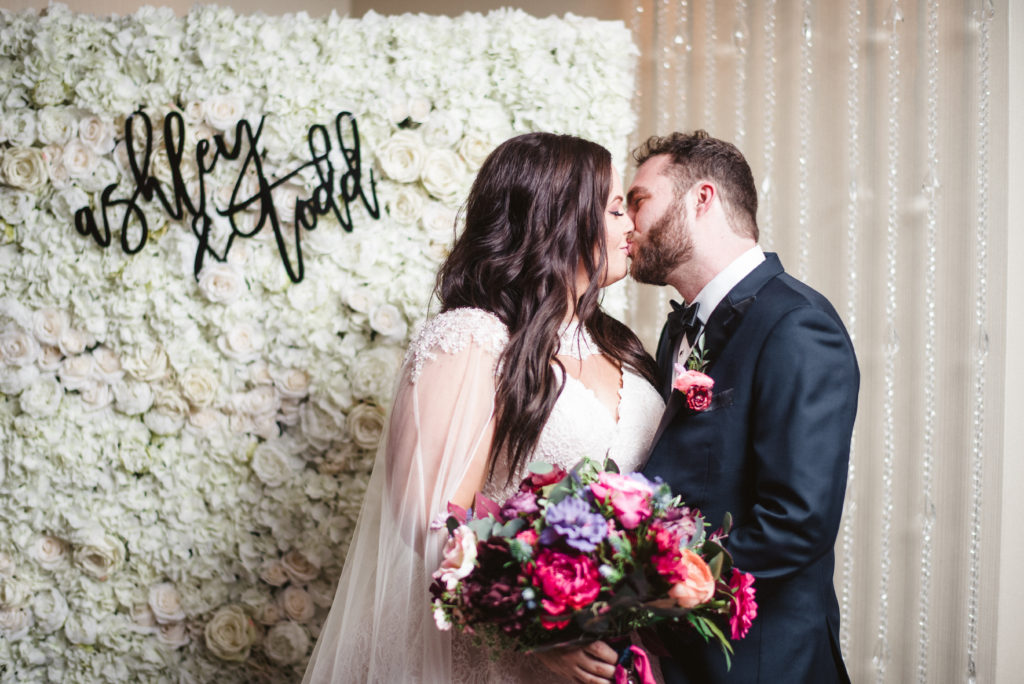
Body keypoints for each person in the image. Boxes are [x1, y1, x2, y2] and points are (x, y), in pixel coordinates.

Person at [302, 132, 666, 683]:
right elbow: (427, 521)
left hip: (623, 650)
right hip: (508, 654)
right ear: (556, 218)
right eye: (615, 209)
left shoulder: (619, 344)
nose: (629, 227)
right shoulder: (474, 339)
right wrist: (542, 633)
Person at [625, 130, 859, 683]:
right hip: (681, 657)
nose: (627, 224)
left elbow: (797, 522)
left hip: (761, 660)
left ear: (701, 198)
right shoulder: (677, 330)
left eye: (639, 201)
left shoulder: (797, 325)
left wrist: (647, 589)